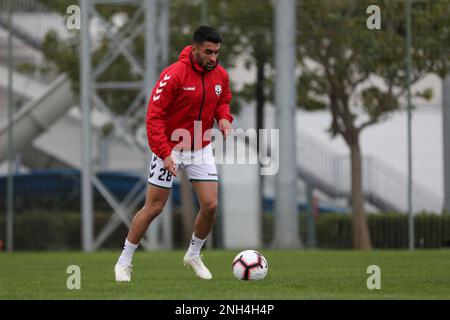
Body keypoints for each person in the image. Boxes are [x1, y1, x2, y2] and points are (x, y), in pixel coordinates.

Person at [114, 26, 233, 281]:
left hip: (200, 147)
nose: (214, 58)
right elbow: (153, 116)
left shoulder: (220, 74)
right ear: (195, 48)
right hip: (170, 148)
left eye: (217, 53)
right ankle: (123, 262)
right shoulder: (174, 74)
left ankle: (193, 255)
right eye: (208, 52)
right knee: (154, 207)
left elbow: (223, 101)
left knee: (211, 205)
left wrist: (223, 118)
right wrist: (165, 152)